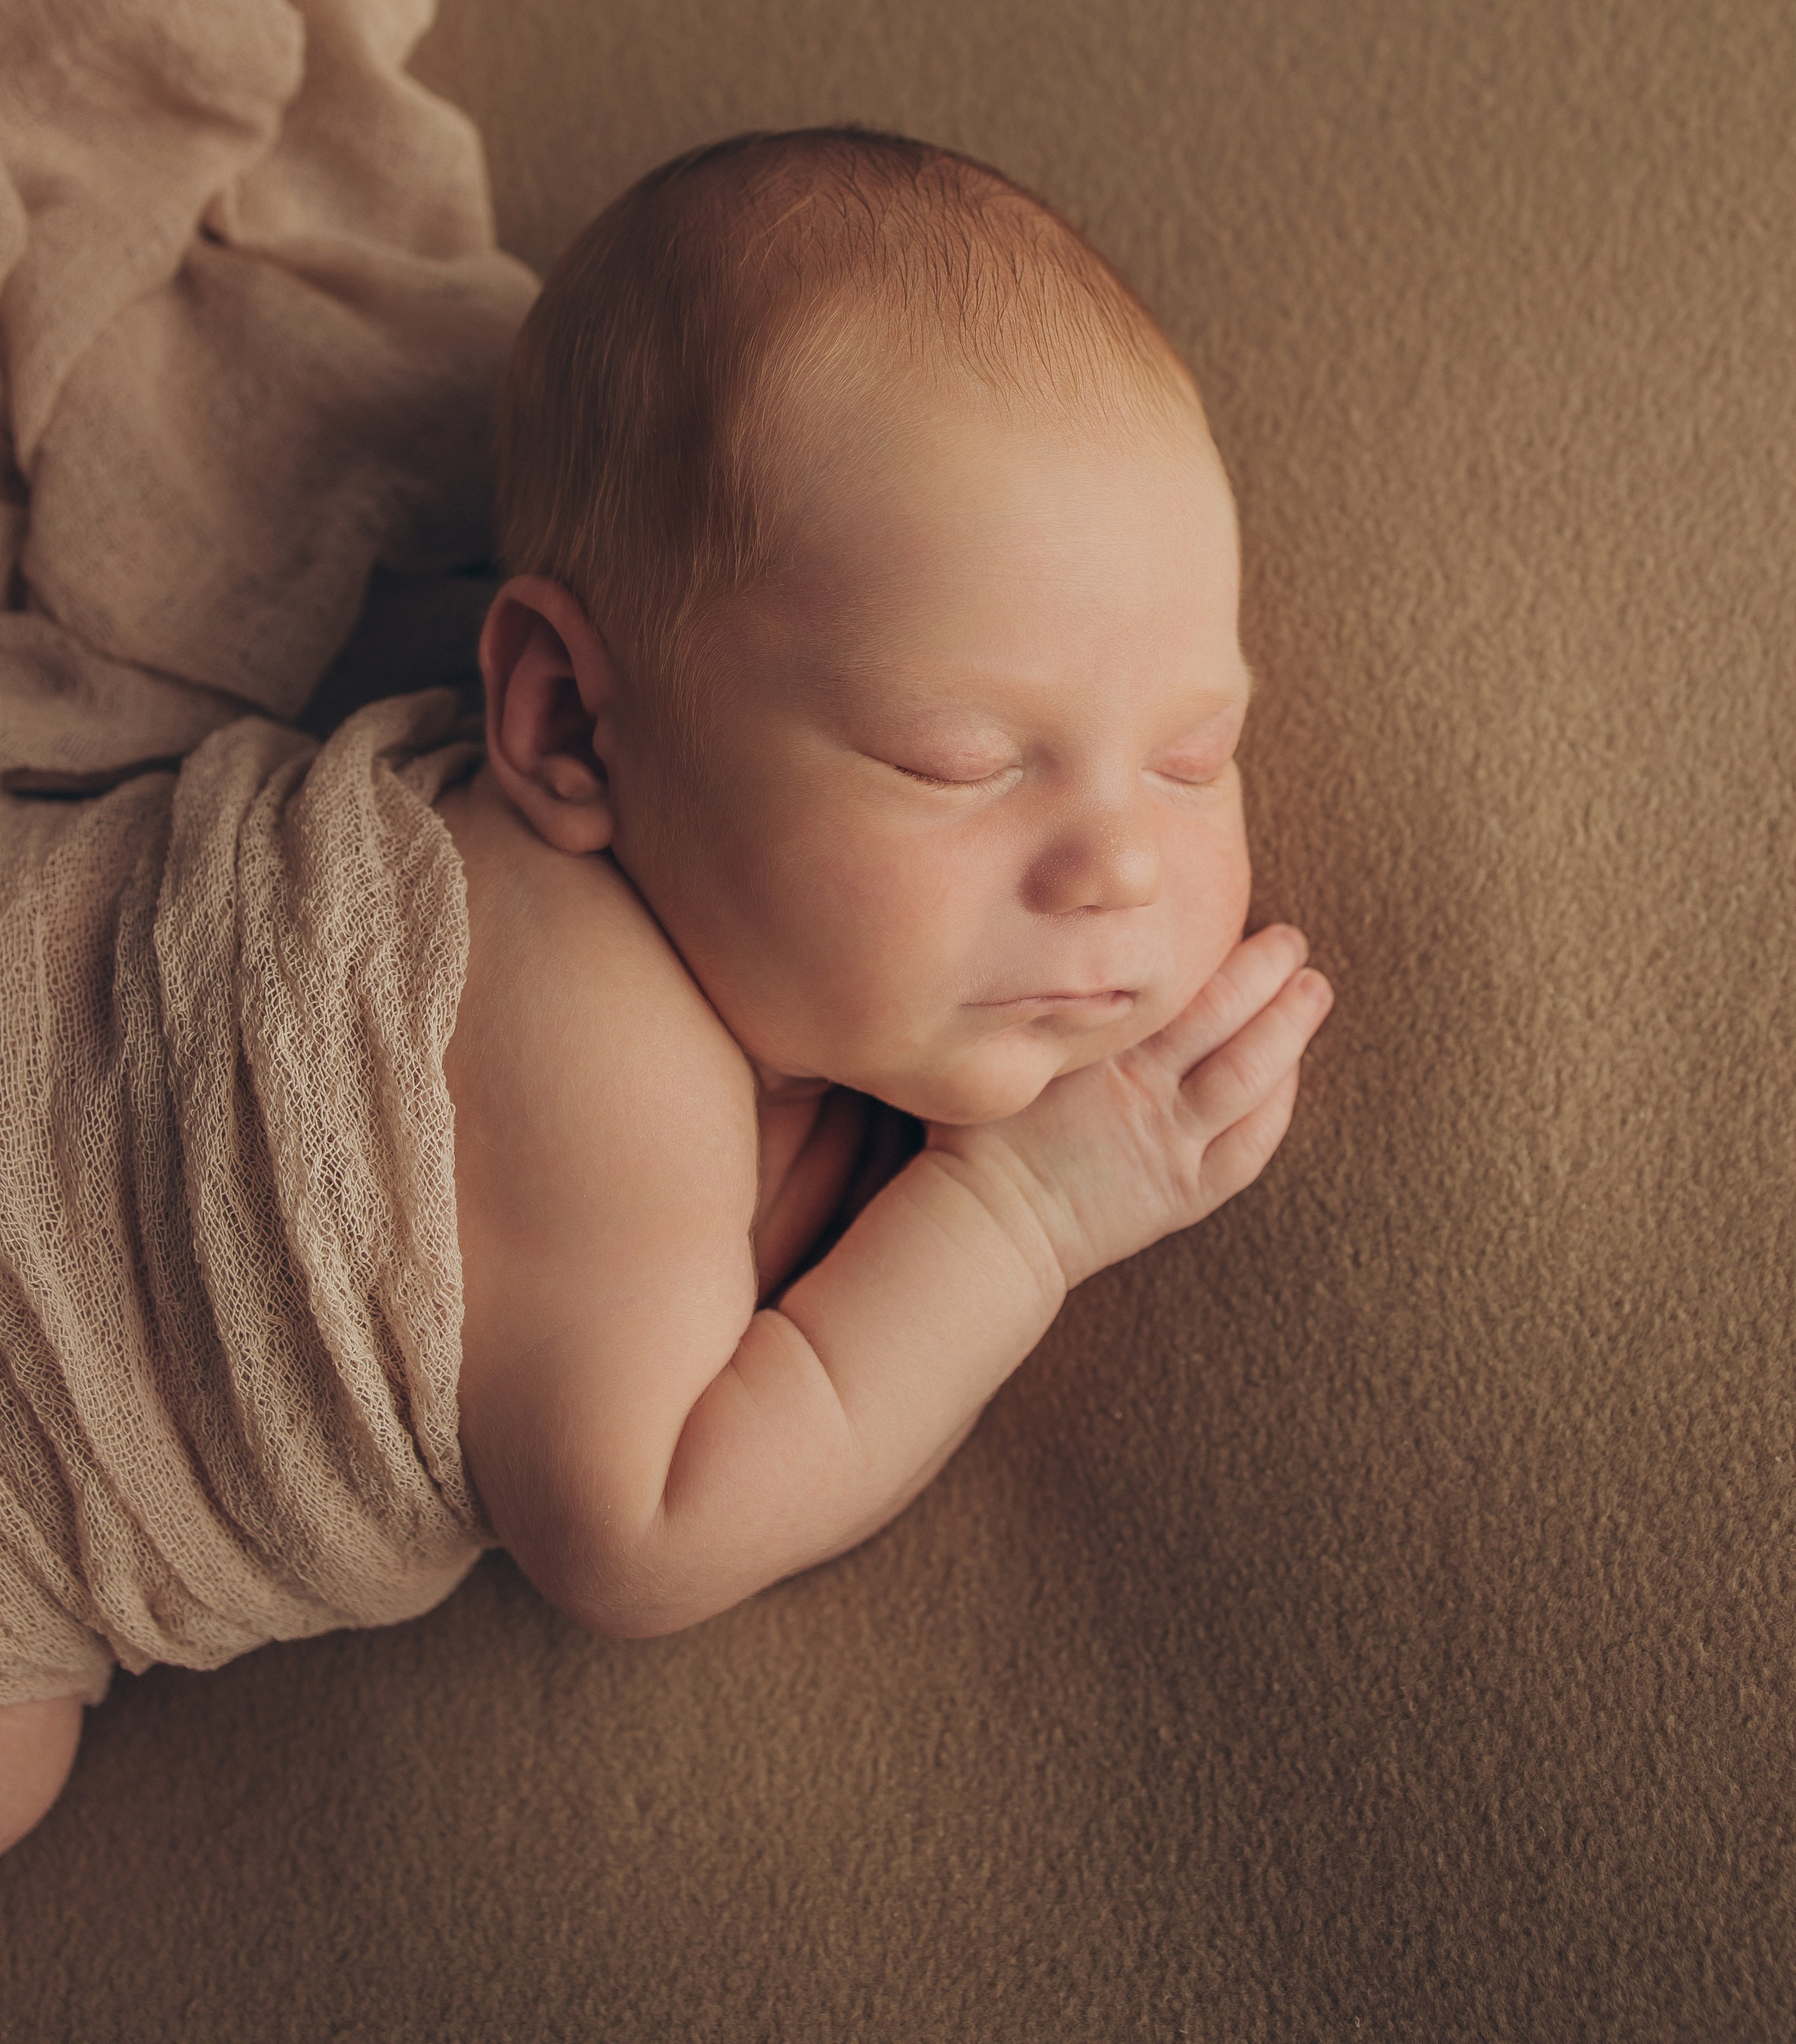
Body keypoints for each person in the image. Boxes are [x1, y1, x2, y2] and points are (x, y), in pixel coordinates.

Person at [0, 124, 1332, 1852]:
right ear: (562, 723)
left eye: (1188, 757)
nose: (1119, 870)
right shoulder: (586, 1047)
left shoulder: (685, 904)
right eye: (956, 762)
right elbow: (645, 1532)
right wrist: (1025, 1213)